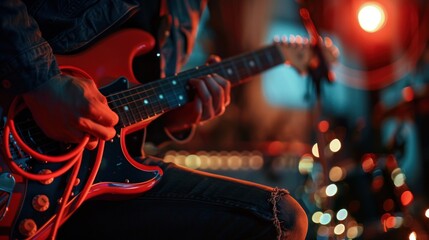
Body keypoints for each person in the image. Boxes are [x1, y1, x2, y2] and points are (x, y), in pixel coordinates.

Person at [0, 0, 308, 239]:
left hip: (100, 175)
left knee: (282, 218)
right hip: (19, 143)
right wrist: (42, 81)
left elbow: (129, 104)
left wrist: (178, 116)